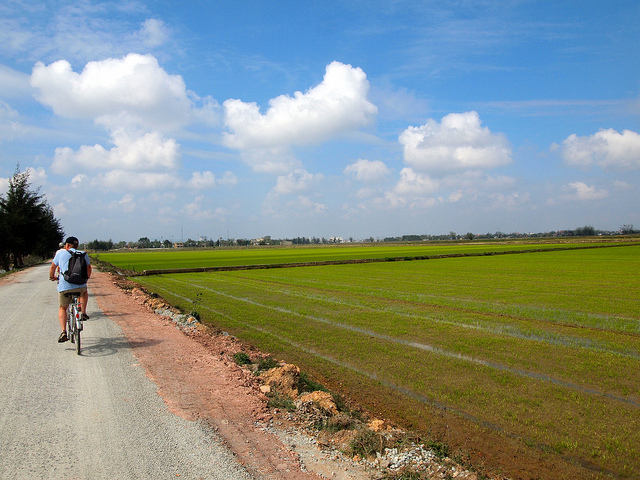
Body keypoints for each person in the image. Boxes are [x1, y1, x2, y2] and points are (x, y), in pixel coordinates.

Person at [49, 236, 92, 343]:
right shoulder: (83, 254)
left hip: (65, 288)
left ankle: (63, 332)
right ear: (77, 246)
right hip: (80, 286)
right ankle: (83, 312)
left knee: (63, 308)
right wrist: (86, 279)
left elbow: (53, 268)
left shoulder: (60, 253)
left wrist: (52, 277)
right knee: (84, 291)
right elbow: (89, 268)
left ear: (67, 245)